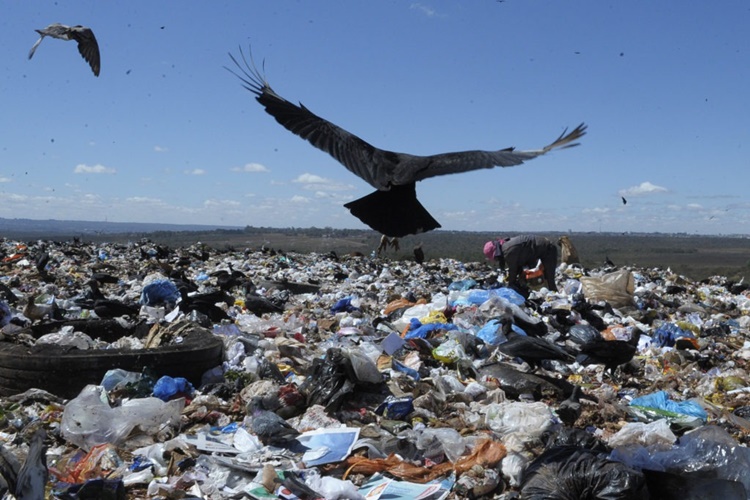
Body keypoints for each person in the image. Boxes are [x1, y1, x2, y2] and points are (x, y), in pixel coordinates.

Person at [483, 235, 558, 292]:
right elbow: (518, 265)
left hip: (548, 248)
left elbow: (513, 270)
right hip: (539, 249)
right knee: (537, 276)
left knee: (549, 277)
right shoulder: (506, 247)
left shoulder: (508, 252)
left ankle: (553, 295)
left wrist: (510, 285)